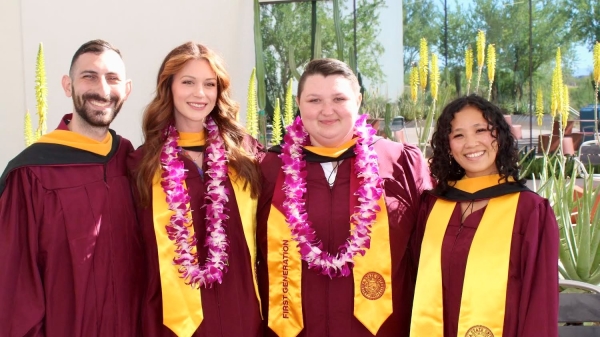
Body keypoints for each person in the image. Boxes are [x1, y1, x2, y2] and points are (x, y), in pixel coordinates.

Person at [256, 58, 433, 337]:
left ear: (358, 99)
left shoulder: (399, 163)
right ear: (299, 103)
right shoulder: (269, 169)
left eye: (339, 98)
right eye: (314, 100)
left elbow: (433, 252)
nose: (327, 110)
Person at [0, 39, 143, 336]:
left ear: (126, 90)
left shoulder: (130, 163)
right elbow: (14, 288)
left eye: (112, 78)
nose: (102, 90)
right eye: (88, 76)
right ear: (68, 86)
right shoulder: (31, 173)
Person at [128, 42, 263, 337]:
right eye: (188, 82)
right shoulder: (143, 163)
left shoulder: (245, 155)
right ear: (169, 86)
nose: (200, 94)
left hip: (240, 311)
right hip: (173, 321)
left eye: (209, 84)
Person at [411, 94, 559, 337]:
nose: (470, 143)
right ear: (448, 146)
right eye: (458, 135)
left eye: (480, 130)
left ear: (498, 136)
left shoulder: (529, 211)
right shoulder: (434, 205)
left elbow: (540, 303)